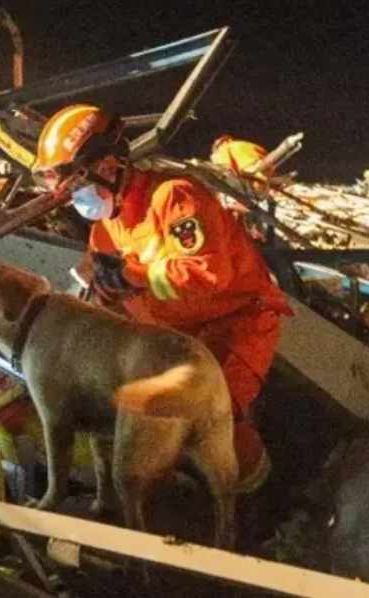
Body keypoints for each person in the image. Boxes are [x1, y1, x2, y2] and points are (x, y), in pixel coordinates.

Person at [32, 104, 293, 493]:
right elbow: (99, 289)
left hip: (236, 325)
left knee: (213, 419)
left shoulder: (174, 197)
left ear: (107, 165)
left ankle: (260, 503)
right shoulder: (106, 230)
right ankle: (190, 494)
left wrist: (133, 276)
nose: (76, 199)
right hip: (176, 340)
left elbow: (206, 273)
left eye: (78, 185)